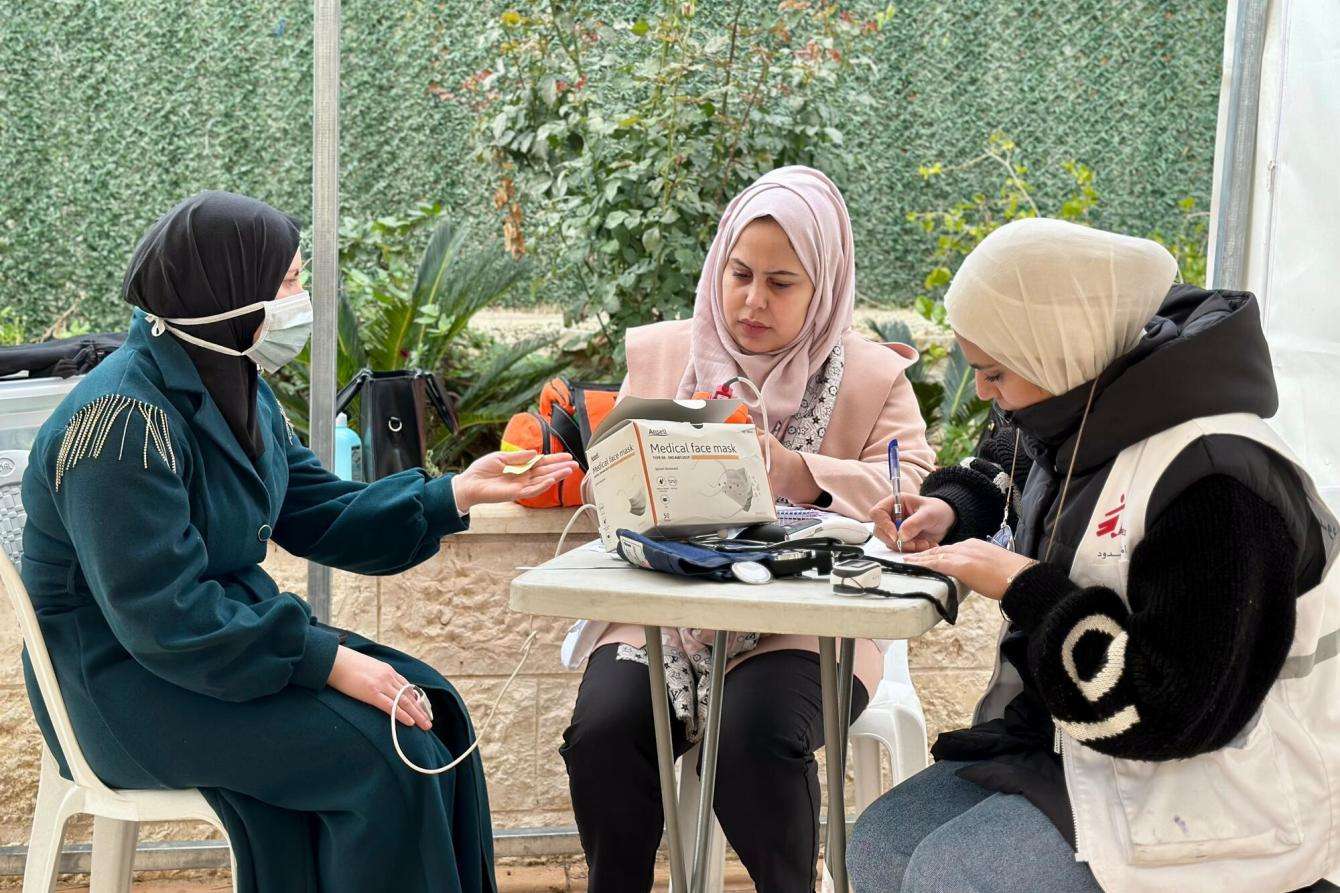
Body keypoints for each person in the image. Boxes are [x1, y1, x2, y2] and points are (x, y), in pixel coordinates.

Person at [18, 192, 578, 893]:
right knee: (387, 755)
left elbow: (318, 510)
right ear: (226, 293)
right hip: (123, 683)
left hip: (218, 652)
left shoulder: (236, 385)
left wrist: (457, 491)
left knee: (434, 713)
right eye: (286, 281)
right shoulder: (121, 422)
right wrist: (329, 662)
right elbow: (164, 617)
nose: (301, 297)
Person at [847, 217, 1340, 893]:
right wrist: (952, 507)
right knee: (878, 846)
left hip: (1207, 789)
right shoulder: (1073, 393)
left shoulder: (1217, 481)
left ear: (1054, 350)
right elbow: (1010, 466)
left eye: (994, 372)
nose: (985, 393)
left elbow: (1170, 708)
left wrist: (1026, 586)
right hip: (1075, 748)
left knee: (952, 875)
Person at [559, 166, 935, 892]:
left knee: (751, 740)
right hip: (667, 617)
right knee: (604, 734)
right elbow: (613, 484)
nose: (752, 300)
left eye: (782, 282)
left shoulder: (870, 377)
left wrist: (797, 470)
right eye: (739, 273)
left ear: (822, 286)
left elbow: (913, 493)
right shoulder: (667, 356)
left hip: (809, 627)